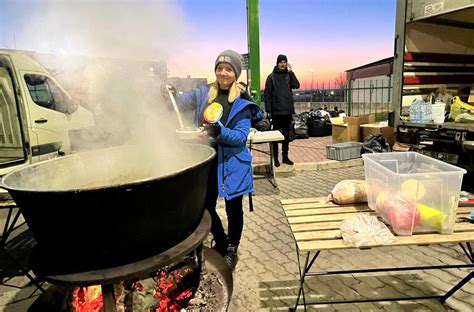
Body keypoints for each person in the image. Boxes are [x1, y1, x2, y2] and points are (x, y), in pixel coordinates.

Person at [162, 50, 263, 271]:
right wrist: (169, 91)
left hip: (233, 162)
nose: (223, 73)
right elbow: (178, 102)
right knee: (205, 206)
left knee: (233, 209)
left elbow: (239, 138)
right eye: (219, 68)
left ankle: (232, 250)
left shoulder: (242, 103)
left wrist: (218, 131)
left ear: (236, 72)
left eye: (228, 69)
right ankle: (222, 239)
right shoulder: (204, 93)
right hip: (207, 162)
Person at [264, 54, 300, 166]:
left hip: (287, 110)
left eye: (285, 62)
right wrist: (269, 110)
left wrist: (291, 71)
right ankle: (275, 158)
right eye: (281, 62)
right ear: (277, 63)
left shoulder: (289, 75)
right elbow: (267, 94)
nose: (283, 64)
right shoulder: (271, 77)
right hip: (276, 111)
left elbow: (296, 85)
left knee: (286, 135)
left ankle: (285, 157)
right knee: (275, 135)